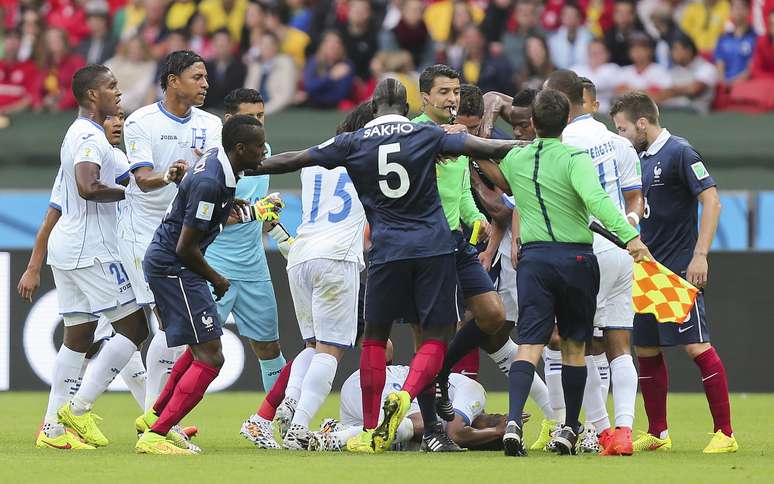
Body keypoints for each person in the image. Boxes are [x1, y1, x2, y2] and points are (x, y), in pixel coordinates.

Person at [252, 78, 521, 454]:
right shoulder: (425, 134)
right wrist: (527, 144)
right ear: (408, 104)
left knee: (376, 340)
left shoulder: (352, 141)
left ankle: (367, 429)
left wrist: (250, 165)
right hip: (432, 248)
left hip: (384, 250)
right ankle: (407, 396)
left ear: (375, 104)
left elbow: (299, 157)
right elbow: (481, 145)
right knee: (434, 337)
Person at [475, 89, 650, 457]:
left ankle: (512, 423)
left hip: (534, 261)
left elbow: (502, 180)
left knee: (530, 345)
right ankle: (569, 428)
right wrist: (630, 237)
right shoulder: (574, 158)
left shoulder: (519, 157)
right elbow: (597, 200)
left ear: (534, 123)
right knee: (574, 346)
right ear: (567, 120)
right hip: (575, 260)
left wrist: (474, 158)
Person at [611, 91, 738, 454]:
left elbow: (711, 200)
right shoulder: (636, 159)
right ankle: (658, 433)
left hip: (678, 271)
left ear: (641, 123)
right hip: (646, 271)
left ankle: (725, 434)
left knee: (697, 347)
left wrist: (701, 254)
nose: (619, 136)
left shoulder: (680, 151)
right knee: (647, 350)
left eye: (621, 128)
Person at [134, 115, 267, 455]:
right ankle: (157, 435)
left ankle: (155, 420)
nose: (263, 154)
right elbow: (185, 247)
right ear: (239, 149)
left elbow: (192, 201)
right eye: (257, 148)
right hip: (174, 267)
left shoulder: (216, 162)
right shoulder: (212, 180)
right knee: (211, 356)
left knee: (200, 350)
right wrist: (217, 278)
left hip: (173, 265)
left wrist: (229, 206)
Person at [39, 65, 150, 450]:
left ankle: (52, 430)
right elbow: (89, 187)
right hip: (92, 250)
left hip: (69, 250)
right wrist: (131, 195)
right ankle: (79, 410)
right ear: (91, 96)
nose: (118, 92)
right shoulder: (87, 136)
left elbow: (133, 177)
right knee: (136, 329)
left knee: (78, 338)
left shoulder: (91, 139)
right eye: (111, 87)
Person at [545, 70, 644, 456]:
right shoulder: (616, 141)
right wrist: (629, 227)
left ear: (556, 100)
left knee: (576, 343)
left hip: (582, 249)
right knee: (620, 343)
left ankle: (598, 430)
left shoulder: (560, 142)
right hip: (621, 249)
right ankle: (623, 431)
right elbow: (634, 196)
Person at [119, 50, 222, 418]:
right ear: (173, 80)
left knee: (161, 326)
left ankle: (155, 417)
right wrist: (170, 175)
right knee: (165, 321)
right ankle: (155, 418)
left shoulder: (212, 125)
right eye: (198, 77)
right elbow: (143, 180)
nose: (206, 84)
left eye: (207, 77)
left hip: (180, 233)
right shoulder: (140, 122)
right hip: (143, 230)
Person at [273, 102, 369, 450]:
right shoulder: (367, 155)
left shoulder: (316, 158)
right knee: (332, 348)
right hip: (337, 256)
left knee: (312, 345)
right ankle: (300, 426)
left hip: (301, 254)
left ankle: (292, 400)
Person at [203, 88, 287, 415]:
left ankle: (280, 420)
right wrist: (258, 211)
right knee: (196, 347)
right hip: (214, 266)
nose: (258, 123)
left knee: (269, 346)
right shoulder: (214, 159)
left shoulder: (263, 151)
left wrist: (274, 228)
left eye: (261, 116)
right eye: (250, 117)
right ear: (229, 121)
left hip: (254, 269)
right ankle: (161, 418)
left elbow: (256, 215)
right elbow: (213, 214)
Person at [311, 365, 514, 452]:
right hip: (382, 381)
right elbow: (457, 434)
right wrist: (497, 431)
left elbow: (457, 436)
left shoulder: (463, 417)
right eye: (503, 421)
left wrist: (496, 432)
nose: (502, 420)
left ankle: (335, 429)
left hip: (363, 392)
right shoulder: (476, 392)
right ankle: (334, 439)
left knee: (415, 439)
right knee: (423, 425)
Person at [658, 34, 719, 114]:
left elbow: (693, 89)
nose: (673, 53)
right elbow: (663, 93)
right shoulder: (674, 70)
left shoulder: (706, 67)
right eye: (672, 50)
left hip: (695, 112)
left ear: (688, 50)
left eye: (676, 49)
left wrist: (672, 90)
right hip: (673, 109)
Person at [243, 31, 297, 115]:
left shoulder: (286, 63)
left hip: (280, 113)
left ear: (276, 46)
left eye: (269, 44)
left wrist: (262, 111)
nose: (265, 47)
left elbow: (285, 97)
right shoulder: (255, 66)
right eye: (262, 44)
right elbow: (248, 93)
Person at [301, 30, 355, 108]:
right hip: (312, 108)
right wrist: (330, 77)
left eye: (337, 42)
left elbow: (341, 94)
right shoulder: (314, 62)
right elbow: (309, 87)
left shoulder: (346, 65)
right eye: (329, 42)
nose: (333, 45)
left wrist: (316, 94)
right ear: (322, 45)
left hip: (335, 108)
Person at [105, 36, 157, 114]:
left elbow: (138, 93)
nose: (135, 51)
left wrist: (114, 102)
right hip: (107, 103)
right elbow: (102, 77)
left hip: (127, 110)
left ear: (144, 50)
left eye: (138, 48)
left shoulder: (149, 66)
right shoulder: (117, 61)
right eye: (132, 47)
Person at [571, 39, 620, 113]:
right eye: (592, 52)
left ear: (607, 54)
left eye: (599, 52)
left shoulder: (612, 68)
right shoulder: (576, 69)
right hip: (580, 112)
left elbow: (609, 86)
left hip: (605, 112)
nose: (595, 55)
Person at [715, 0, 757, 85]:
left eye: (741, 7)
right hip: (724, 88)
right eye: (734, 8)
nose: (738, 11)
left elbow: (751, 69)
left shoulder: (756, 39)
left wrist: (732, 84)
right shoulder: (723, 39)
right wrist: (723, 83)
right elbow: (719, 65)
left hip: (746, 87)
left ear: (748, 10)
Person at [203, 29, 247, 110]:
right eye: (218, 44)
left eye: (224, 44)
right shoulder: (204, 67)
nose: (221, 47)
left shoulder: (241, 68)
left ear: (231, 45)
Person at [548, 2, 593, 69]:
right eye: (566, 15)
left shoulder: (589, 37)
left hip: (585, 75)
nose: (569, 18)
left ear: (579, 18)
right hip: (560, 75)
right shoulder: (553, 39)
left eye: (572, 15)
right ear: (561, 17)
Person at [604, 0, 644, 66]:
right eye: (619, 12)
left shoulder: (642, 38)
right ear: (614, 15)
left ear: (633, 15)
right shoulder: (607, 37)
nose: (623, 16)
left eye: (627, 13)